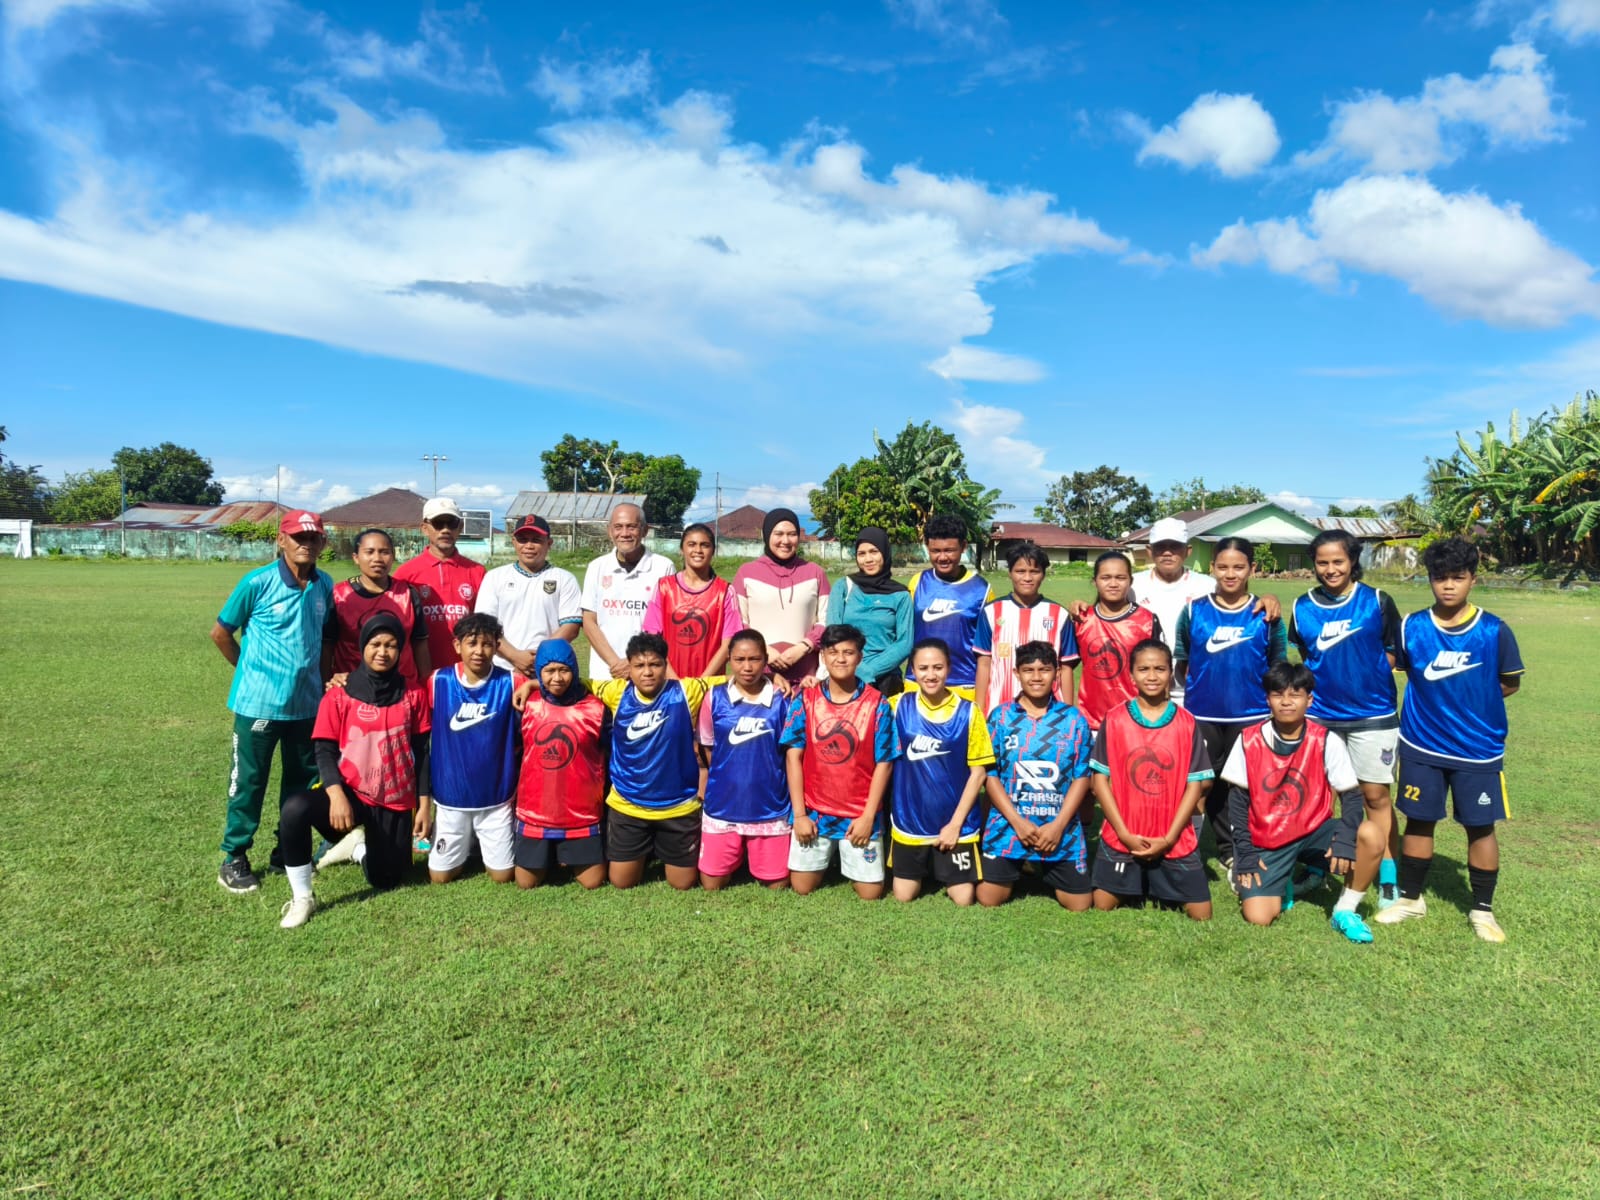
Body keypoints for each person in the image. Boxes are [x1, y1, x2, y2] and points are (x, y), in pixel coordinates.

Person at [1377, 538, 1524, 943]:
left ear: (1473, 580)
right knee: (1419, 820)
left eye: (1457, 577)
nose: (1448, 585)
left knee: (1480, 827)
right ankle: (1411, 899)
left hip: (1478, 748)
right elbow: (1401, 669)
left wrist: (1471, 703)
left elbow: (1508, 683)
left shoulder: (1494, 630)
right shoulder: (1412, 626)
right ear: (1429, 579)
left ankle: (1482, 910)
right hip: (1421, 745)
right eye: (1439, 577)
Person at [277, 613, 433, 928]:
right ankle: (302, 897)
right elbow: (324, 750)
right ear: (363, 646)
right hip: (350, 793)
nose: (383, 652)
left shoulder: (413, 694)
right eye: (375, 644)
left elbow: (422, 753)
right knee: (294, 809)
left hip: (393, 797)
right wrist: (336, 795)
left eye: (391, 645)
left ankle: (357, 848)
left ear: (400, 650)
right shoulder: (339, 693)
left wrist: (424, 805)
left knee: (387, 879)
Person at [209, 509, 333, 894]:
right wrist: (247, 670)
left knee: (302, 785)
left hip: (307, 706)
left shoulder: (324, 584)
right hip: (258, 707)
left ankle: (287, 851)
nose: (306, 544)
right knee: (249, 781)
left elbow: (325, 638)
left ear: (322, 543)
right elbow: (220, 633)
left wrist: (323, 683)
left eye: (313, 538)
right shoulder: (257, 582)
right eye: (298, 537)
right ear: (281, 540)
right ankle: (234, 856)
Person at [1221, 662, 1384, 942]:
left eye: (1295, 694)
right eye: (1278, 694)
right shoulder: (1248, 740)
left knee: (1370, 833)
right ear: (1267, 699)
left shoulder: (1327, 740)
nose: (1286, 702)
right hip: (1267, 838)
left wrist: (1346, 838)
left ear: (1309, 700)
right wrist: (1245, 852)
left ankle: (1345, 910)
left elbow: (1351, 796)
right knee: (1259, 917)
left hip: (1313, 830)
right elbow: (1236, 802)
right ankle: (1282, 878)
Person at [1290, 529, 1405, 907]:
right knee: (1319, 798)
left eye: (1338, 561)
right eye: (1322, 562)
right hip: (1320, 717)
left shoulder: (1377, 601)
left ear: (1352, 561)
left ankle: (1387, 875)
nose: (1330, 569)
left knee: (1375, 796)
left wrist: (1366, 678)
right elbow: (1306, 656)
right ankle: (1318, 865)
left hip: (1373, 716)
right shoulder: (1302, 607)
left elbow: (1392, 651)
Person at [1172, 537, 1287, 868]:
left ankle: (1240, 850)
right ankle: (1189, 852)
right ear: (1212, 568)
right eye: (1223, 567)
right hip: (1203, 715)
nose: (1230, 574)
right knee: (1201, 785)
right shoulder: (1194, 611)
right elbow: (1182, 661)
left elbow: (1277, 666)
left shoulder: (1266, 615)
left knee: (1245, 786)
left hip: (1252, 715)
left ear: (1252, 568)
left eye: (1239, 567)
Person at [1089, 639, 1213, 920]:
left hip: (1172, 837)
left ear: (1171, 673)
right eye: (1143, 669)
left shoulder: (1186, 722)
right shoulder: (1115, 719)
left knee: (1201, 914)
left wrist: (1169, 839)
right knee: (1103, 904)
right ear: (1131, 675)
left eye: (1160, 669)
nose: (1152, 676)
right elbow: (1099, 782)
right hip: (1124, 835)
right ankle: (1141, 880)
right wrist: (1124, 834)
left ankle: (1156, 879)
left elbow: (1195, 785)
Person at [782, 624, 898, 900]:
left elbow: (885, 763)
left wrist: (868, 817)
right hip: (815, 813)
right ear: (822, 656)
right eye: (833, 652)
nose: (841, 659)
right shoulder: (806, 699)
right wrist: (800, 815)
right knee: (802, 887)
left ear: (860, 657)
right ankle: (830, 855)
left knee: (870, 893)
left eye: (848, 652)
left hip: (859, 815)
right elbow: (793, 757)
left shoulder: (877, 704)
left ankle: (845, 852)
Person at [977, 641, 1095, 911]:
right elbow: (990, 774)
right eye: (1028, 670)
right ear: (1016, 674)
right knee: (989, 898)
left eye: (1045, 670)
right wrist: (1017, 822)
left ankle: (1044, 866)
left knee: (1079, 904)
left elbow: (1081, 777)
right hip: (1009, 826)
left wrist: (1058, 826)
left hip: (1058, 829)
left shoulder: (1073, 719)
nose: (1037, 677)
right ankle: (1020, 864)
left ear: (1057, 673)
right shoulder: (1001, 717)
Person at [886, 638, 995, 905]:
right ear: (912, 670)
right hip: (910, 823)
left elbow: (978, 774)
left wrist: (955, 825)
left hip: (956, 825)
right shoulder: (897, 706)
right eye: (923, 668)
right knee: (903, 895)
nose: (931, 675)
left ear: (949, 668)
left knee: (963, 897)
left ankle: (942, 865)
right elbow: (858, 704)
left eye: (938, 667)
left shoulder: (969, 711)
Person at [1127, 516, 1279, 704]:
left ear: (1188, 550)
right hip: (1144, 689)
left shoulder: (1208, 585)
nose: (1167, 553)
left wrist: (1269, 597)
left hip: (1193, 690)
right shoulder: (1132, 585)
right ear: (1149, 551)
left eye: (1175, 546)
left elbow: (1238, 601)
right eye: (1160, 547)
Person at [424, 612, 519, 886]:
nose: (479, 651)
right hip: (450, 797)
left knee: (502, 876)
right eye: (472, 643)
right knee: (440, 877)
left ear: (497, 646)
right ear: (457, 645)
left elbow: (551, 690)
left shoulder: (511, 683)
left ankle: (476, 841)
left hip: (496, 797)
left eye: (487, 644)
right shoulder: (438, 681)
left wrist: (535, 683)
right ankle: (467, 840)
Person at [697, 629, 793, 890]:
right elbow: (707, 748)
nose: (747, 667)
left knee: (777, 884)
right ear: (729, 660)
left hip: (770, 808)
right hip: (723, 806)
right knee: (712, 883)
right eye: (739, 660)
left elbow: (791, 754)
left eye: (755, 659)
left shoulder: (783, 699)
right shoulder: (714, 697)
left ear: (766, 661)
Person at [512, 638, 609, 890]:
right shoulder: (527, 705)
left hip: (581, 815)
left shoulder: (596, 709)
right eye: (549, 671)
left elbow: (610, 756)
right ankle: (552, 856)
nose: (557, 678)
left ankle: (565, 854)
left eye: (564, 670)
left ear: (574, 670)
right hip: (535, 812)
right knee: (526, 882)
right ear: (539, 672)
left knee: (592, 882)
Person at [731, 507, 830, 685]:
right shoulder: (746, 573)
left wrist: (804, 646)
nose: (785, 540)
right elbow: (738, 622)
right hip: (759, 676)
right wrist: (763, 650)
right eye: (778, 534)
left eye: (792, 534)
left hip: (807, 677)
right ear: (766, 535)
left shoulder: (815, 572)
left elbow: (826, 619)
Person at [322, 528, 431, 686]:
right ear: (356, 557)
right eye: (370, 552)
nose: (377, 558)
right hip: (353, 688)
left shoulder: (408, 593)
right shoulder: (339, 596)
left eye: (384, 552)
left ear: (393, 556)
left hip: (403, 688)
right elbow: (327, 646)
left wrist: (426, 686)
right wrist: (325, 683)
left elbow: (420, 644)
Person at [978, 541, 1077, 715]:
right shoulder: (991, 612)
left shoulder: (1059, 614)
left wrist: (1068, 715)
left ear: (1043, 574)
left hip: (1049, 714)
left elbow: (1066, 668)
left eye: (1034, 571)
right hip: (1000, 710)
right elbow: (984, 663)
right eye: (1020, 571)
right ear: (1009, 573)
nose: (1027, 578)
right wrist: (978, 711)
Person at [476, 515, 582, 674]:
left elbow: (571, 627)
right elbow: (485, 625)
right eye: (523, 540)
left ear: (549, 543)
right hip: (501, 669)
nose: (529, 546)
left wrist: (539, 659)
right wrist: (515, 657)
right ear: (513, 542)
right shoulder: (494, 577)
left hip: (547, 670)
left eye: (536, 540)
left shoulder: (565, 578)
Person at [580, 502, 674, 680]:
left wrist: (635, 662)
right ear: (610, 531)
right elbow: (589, 621)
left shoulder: (663, 567)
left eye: (631, 527)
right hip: (606, 673)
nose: (624, 533)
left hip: (648, 673)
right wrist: (614, 663)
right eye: (618, 527)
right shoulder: (596, 567)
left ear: (644, 530)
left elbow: (667, 625)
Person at [1070, 551, 1161, 732]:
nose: (1113, 584)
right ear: (1095, 581)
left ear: (1130, 581)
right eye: (1106, 577)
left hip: (1135, 721)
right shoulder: (1081, 620)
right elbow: (1065, 669)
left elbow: (1160, 672)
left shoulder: (1147, 621)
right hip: (1091, 722)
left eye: (1120, 577)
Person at [906, 514, 993, 699]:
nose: (942, 557)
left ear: (963, 547)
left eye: (949, 550)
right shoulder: (917, 582)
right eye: (936, 551)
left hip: (964, 686)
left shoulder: (982, 590)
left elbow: (987, 650)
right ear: (927, 547)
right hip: (918, 683)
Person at [394, 497, 486, 671]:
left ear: (460, 528)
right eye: (438, 523)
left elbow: (485, 625)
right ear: (424, 528)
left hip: (466, 673)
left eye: (451, 523)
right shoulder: (406, 574)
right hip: (420, 672)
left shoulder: (477, 571)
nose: (445, 530)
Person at [643, 523, 740, 678]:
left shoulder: (726, 592)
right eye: (691, 544)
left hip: (709, 684)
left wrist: (700, 683)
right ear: (682, 550)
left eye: (705, 545)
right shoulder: (664, 587)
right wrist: (675, 681)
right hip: (669, 682)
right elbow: (652, 638)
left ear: (713, 550)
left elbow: (729, 643)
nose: (698, 550)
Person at [831, 526, 913, 697]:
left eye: (874, 552)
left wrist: (868, 671)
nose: (868, 559)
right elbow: (832, 633)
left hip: (886, 680)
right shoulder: (844, 587)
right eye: (861, 554)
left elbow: (905, 642)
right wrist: (852, 668)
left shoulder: (900, 595)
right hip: (846, 676)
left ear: (885, 552)